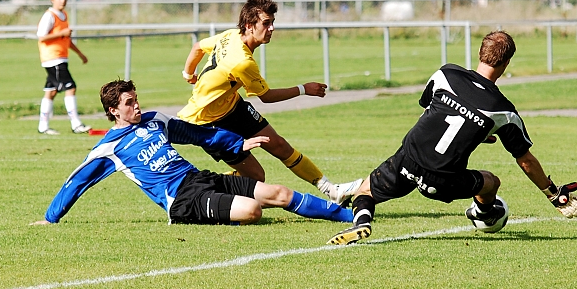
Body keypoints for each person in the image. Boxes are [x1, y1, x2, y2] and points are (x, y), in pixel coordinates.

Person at [327, 30, 577, 245]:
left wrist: (470, 131)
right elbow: (525, 160)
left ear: (479, 54)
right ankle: (484, 215)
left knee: (367, 191)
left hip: (409, 158)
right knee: (491, 182)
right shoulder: (503, 111)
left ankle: (362, 223)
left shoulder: (445, 74)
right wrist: (553, 194)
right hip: (443, 179)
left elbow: (430, 110)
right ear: (506, 64)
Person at [32, 80, 353, 226]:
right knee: (253, 210)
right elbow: (75, 183)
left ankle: (353, 216)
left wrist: (237, 145)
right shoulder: (108, 149)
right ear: (113, 111)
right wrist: (50, 219)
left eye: (136, 99)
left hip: (200, 178)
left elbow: (197, 134)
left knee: (280, 192)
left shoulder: (157, 120)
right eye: (130, 103)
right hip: (181, 200)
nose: (137, 106)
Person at [178, 0, 361, 204]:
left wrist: (188, 74)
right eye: (266, 23)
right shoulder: (242, 62)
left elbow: (198, 47)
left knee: (280, 146)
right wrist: (303, 89)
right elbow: (266, 97)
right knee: (256, 177)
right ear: (249, 25)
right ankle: (198, 188)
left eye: (273, 22)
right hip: (208, 122)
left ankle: (331, 190)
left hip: (232, 107)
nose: (272, 28)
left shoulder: (230, 35)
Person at [36, 0, 91, 135]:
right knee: (70, 87)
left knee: (51, 91)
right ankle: (76, 124)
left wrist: (79, 53)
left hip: (61, 57)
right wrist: (62, 33)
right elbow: (42, 37)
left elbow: (66, 39)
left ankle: (43, 126)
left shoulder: (63, 15)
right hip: (53, 58)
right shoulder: (49, 16)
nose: (63, 1)